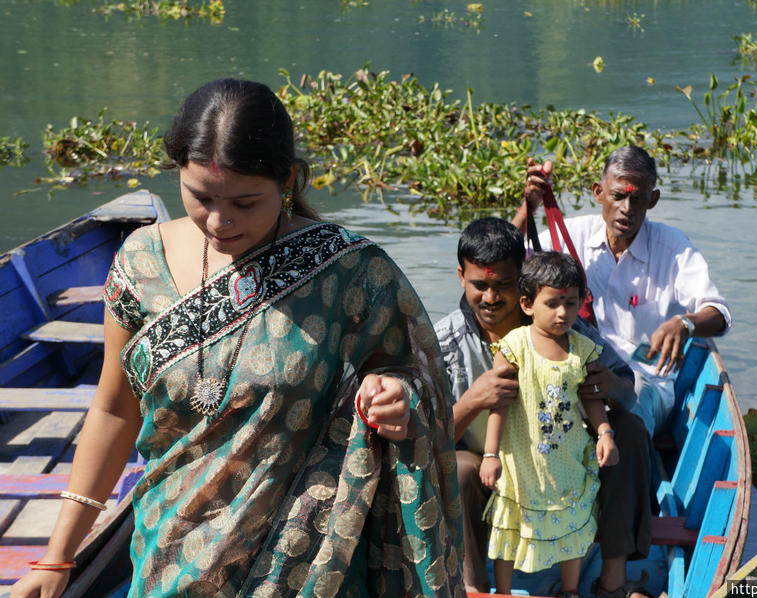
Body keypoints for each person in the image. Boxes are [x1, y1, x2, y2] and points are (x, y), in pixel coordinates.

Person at [12, 78, 463, 598]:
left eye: (247, 203)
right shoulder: (140, 265)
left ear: (288, 179)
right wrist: (56, 557)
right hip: (168, 549)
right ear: (176, 170)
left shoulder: (348, 270)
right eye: (200, 196)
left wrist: (397, 396)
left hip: (304, 561)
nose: (220, 221)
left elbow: (416, 371)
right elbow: (114, 411)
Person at [435, 218, 655, 597]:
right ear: (461, 277)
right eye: (479, 285)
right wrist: (473, 401)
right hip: (495, 475)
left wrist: (611, 386)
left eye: (502, 284)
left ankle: (613, 582)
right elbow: (428, 441)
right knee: (459, 468)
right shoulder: (445, 341)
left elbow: (628, 392)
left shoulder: (558, 321)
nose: (490, 297)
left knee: (630, 429)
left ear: (522, 283)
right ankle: (474, 587)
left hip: (562, 464)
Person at [514, 146, 732, 439]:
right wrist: (528, 207)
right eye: (618, 196)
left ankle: (629, 465)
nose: (627, 208)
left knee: (628, 414)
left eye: (637, 198)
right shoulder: (570, 236)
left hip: (646, 381)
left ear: (652, 200)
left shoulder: (672, 247)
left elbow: (718, 312)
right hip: (576, 370)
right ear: (598, 193)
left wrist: (685, 323)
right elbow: (507, 264)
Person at [480, 251, 618, 597]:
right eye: (553, 303)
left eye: (571, 304)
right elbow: (499, 403)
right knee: (510, 526)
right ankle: (503, 591)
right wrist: (490, 454)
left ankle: (570, 590)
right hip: (523, 459)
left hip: (567, 459)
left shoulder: (582, 349)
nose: (563, 313)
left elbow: (591, 398)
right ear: (527, 304)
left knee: (571, 524)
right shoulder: (514, 346)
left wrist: (605, 433)